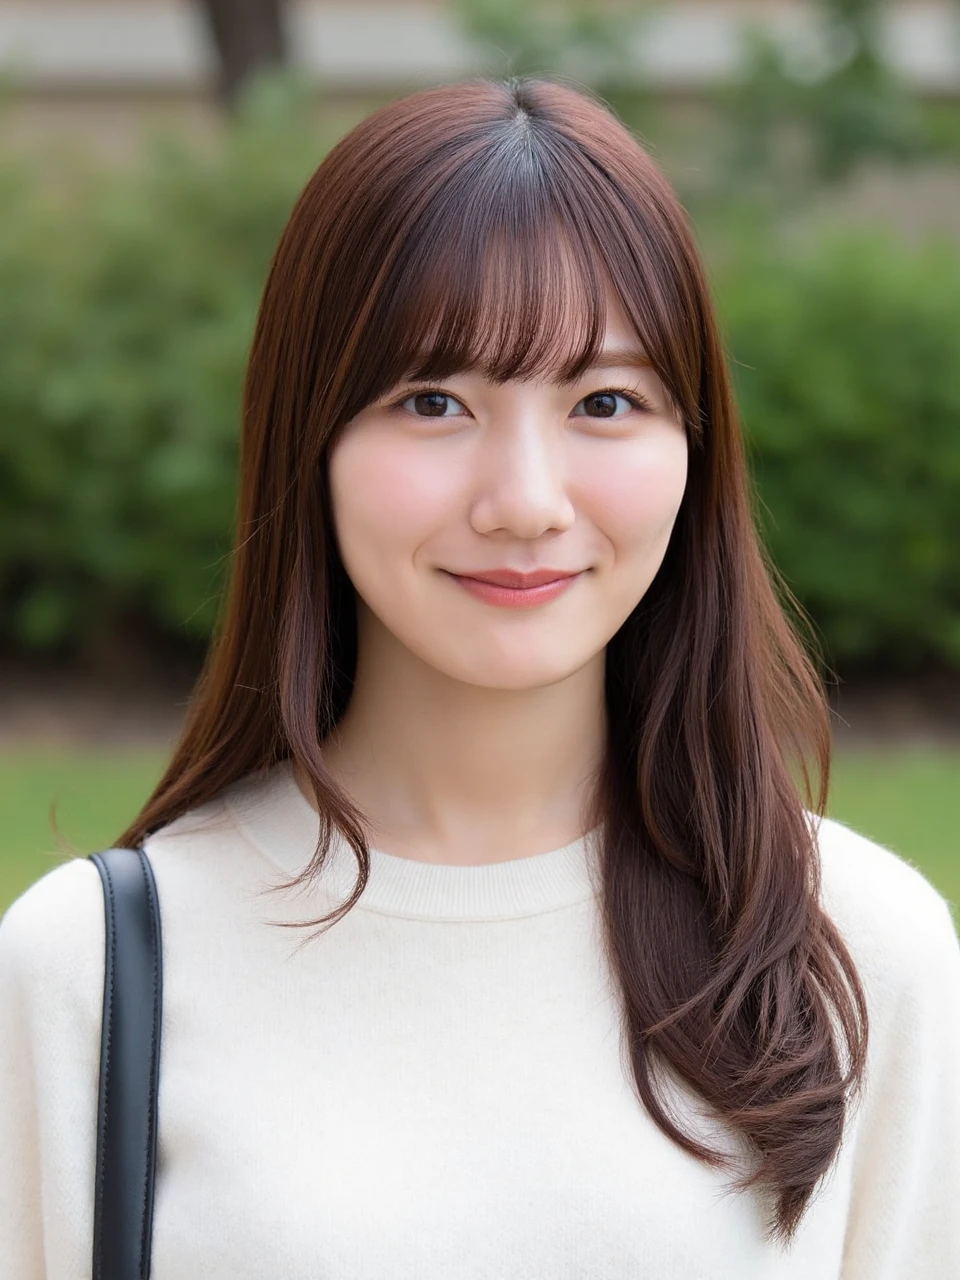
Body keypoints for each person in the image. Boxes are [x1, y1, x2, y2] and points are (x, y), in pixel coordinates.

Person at [1, 75, 958, 1279]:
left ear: (694, 450)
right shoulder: (93, 967)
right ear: (312, 442)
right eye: (433, 400)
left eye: (605, 401)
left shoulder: (859, 952)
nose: (525, 502)